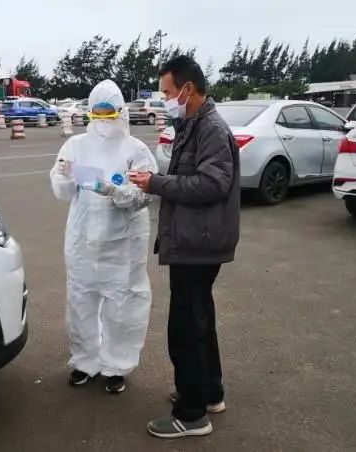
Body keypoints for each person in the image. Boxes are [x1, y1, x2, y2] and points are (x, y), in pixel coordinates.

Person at [129, 56, 240, 438]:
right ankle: (209, 392)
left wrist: (156, 183)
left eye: (167, 92)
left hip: (199, 241)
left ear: (187, 89)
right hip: (196, 238)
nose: (164, 100)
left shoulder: (210, 128)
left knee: (185, 328)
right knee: (199, 318)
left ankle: (192, 415)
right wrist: (158, 179)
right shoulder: (192, 124)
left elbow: (212, 184)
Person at [50, 79, 157, 394]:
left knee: (123, 306)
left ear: (121, 113)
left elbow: (143, 195)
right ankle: (85, 362)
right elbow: (61, 189)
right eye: (97, 115)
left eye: (108, 115)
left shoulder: (135, 150)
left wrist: (112, 190)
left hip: (123, 243)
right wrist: (65, 175)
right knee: (81, 301)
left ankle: (116, 367)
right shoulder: (75, 146)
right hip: (83, 238)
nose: (103, 122)